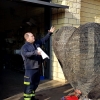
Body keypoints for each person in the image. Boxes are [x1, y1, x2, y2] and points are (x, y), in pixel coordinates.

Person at [21, 26, 55, 100]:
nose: (34, 37)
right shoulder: (24, 47)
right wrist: (35, 52)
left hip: (37, 68)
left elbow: (43, 40)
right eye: (32, 36)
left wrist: (50, 33)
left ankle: (32, 98)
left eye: (33, 35)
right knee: (29, 86)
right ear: (27, 38)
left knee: (35, 85)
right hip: (30, 70)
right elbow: (26, 54)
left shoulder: (36, 43)